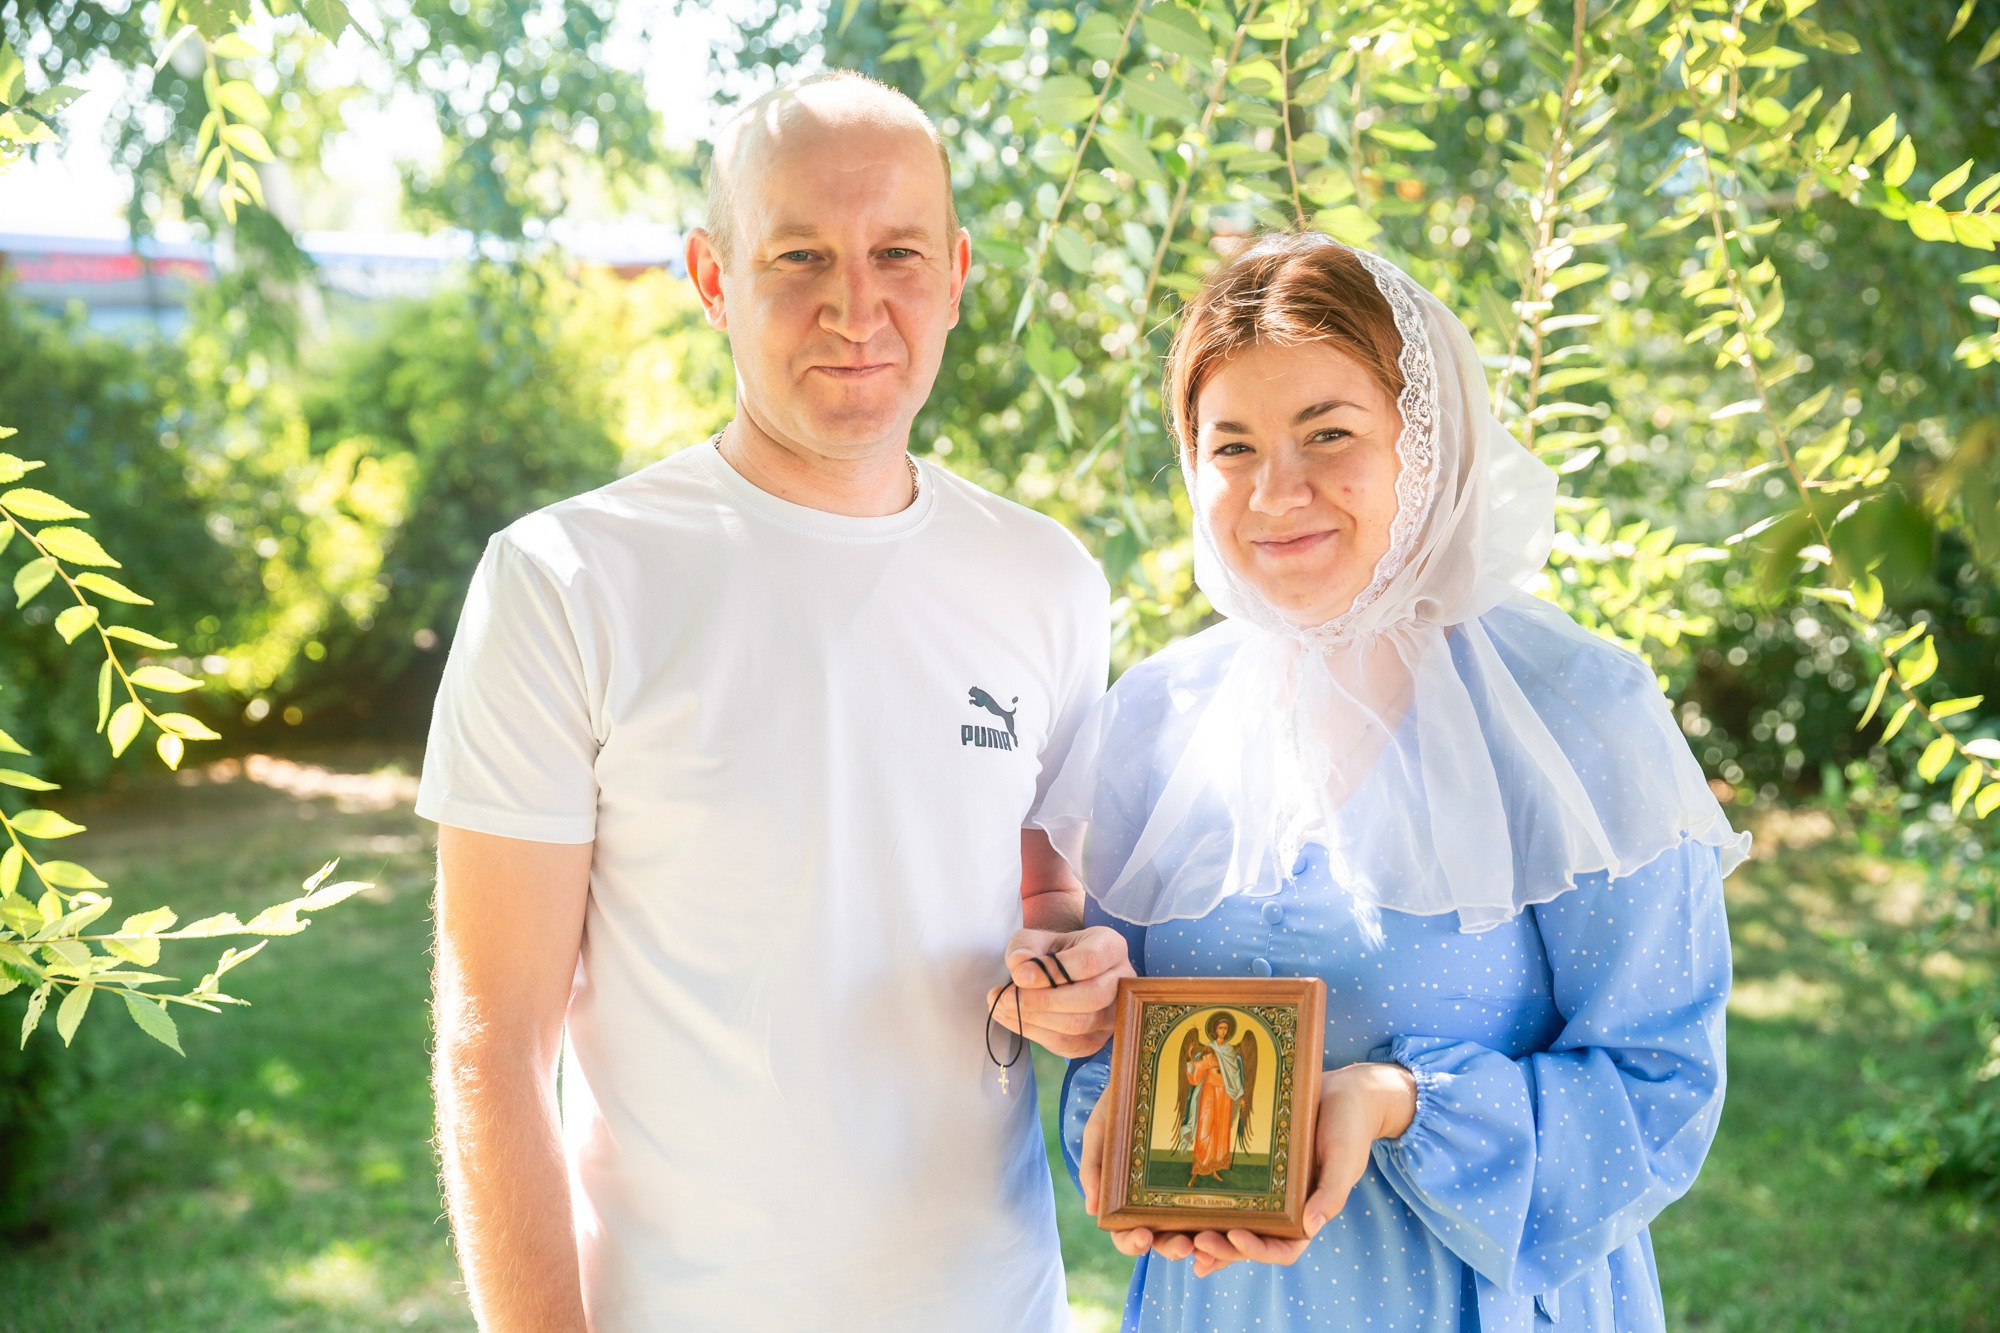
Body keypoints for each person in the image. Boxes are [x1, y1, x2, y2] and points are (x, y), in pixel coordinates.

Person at [419, 70, 1128, 1332]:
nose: (855, 305)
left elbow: (1046, 910)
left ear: (956, 273)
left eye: (896, 250)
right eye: (798, 254)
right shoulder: (567, 581)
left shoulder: (1047, 581)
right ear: (710, 277)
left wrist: (1071, 979)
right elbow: (492, 1049)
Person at [1038, 233, 1745, 1331]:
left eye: (1328, 434)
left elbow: (1659, 1089)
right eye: (1231, 446)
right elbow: (1117, 1040)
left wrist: (1397, 1103)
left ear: (1428, 444)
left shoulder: (1575, 713)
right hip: (1216, 1305)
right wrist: (1110, 1113)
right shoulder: (1152, 719)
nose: (1276, 492)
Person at [1178, 1012, 1249, 1186]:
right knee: (1205, 1127)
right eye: (1220, 1028)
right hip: (1209, 1091)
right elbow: (1197, 1072)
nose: (1223, 1031)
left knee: (1220, 1129)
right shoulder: (1208, 1049)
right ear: (1215, 1030)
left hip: (1225, 1094)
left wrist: (1239, 1096)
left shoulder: (1230, 1051)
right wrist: (1189, 1058)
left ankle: (1214, 1168)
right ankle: (1198, 1169)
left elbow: (1234, 1075)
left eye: (1226, 1028)